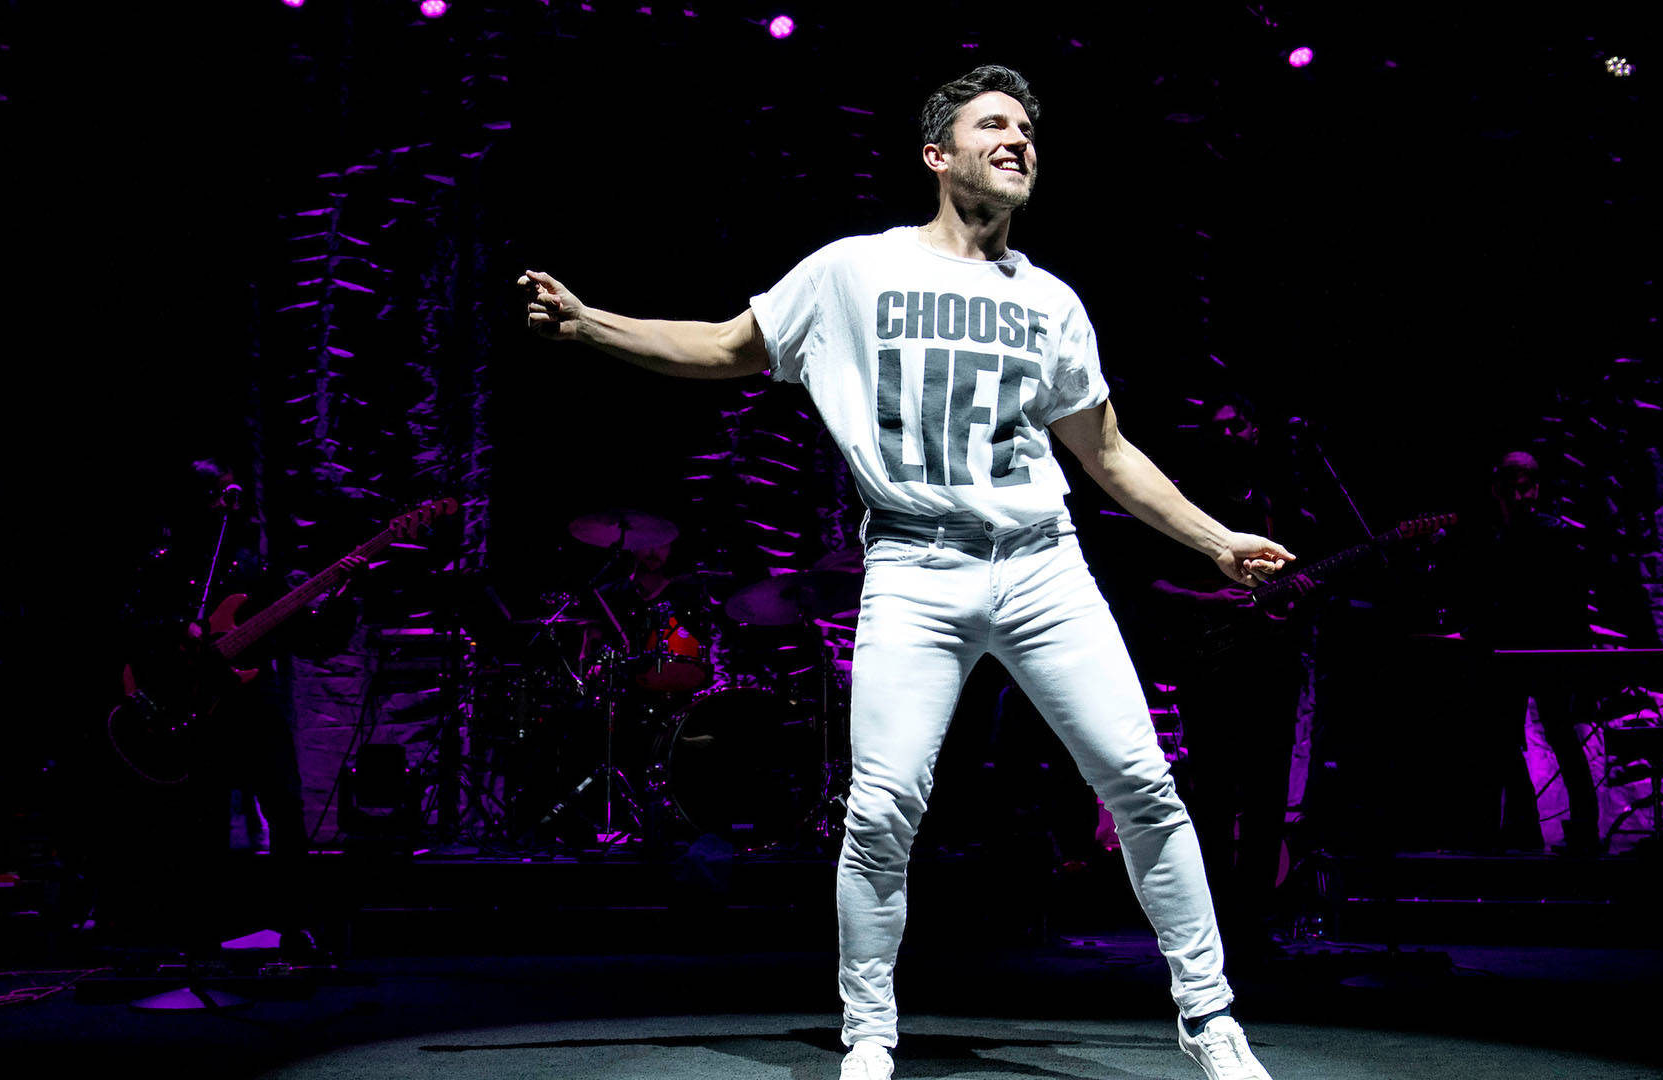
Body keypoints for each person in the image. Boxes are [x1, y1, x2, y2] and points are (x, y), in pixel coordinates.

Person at [518, 65, 1290, 1080]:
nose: (1019, 141)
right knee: (884, 806)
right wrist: (593, 326)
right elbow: (724, 345)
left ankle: (1212, 1021)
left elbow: (1107, 453)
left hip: (1044, 569)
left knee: (1144, 786)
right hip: (917, 570)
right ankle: (868, 1033)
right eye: (993, 126)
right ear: (939, 154)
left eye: (1027, 129)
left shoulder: (1052, 301)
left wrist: (1215, 539)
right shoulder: (853, 272)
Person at [100, 458, 364, 958]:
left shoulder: (255, 569)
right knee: (202, 817)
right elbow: (126, 626)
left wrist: (344, 596)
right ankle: (199, 933)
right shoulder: (163, 565)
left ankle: (294, 927)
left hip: (254, 704)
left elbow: (312, 640)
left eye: (229, 493)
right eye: (218, 494)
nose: (229, 502)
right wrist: (181, 627)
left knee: (284, 810)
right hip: (194, 707)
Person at [1145, 396, 1319, 963]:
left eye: (1238, 425)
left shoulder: (1279, 502)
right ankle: (1210, 920)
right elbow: (1153, 587)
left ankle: (1254, 919)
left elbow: (1299, 578)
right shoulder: (1188, 504)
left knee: (1268, 797)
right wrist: (1211, 599)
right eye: (1219, 427)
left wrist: (1301, 596)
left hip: (1270, 665)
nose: (1230, 435)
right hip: (1211, 663)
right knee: (1215, 794)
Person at [1460, 450, 1600, 856]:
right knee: (1508, 741)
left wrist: (1576, 662)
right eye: (1513, 490)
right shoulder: (1498, 539)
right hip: (1511, 655)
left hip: (1547, 653)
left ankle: (1578, 830)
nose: (1521, 498)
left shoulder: (1552, 534)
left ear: (1536, 490)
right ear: (1497, 491)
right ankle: (1526, 828)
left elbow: (1572, 604)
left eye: (1526, 489)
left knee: (1558, 737)